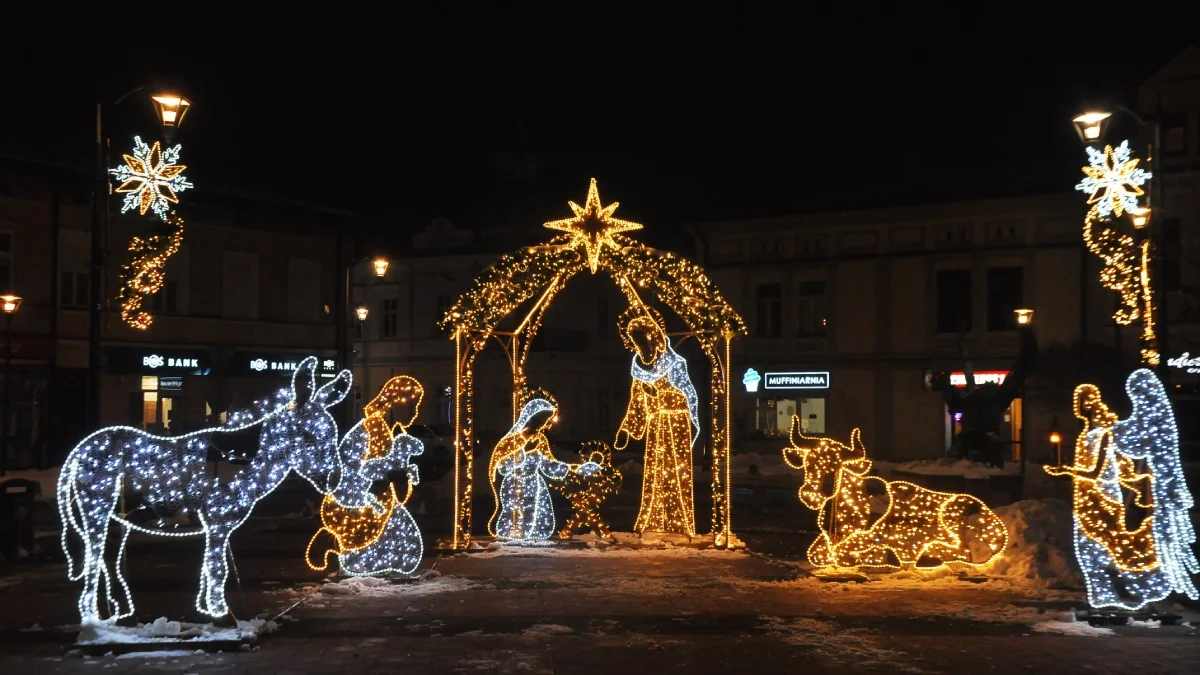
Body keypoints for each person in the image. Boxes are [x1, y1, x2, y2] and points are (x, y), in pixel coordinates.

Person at [614, 306, 700, 537]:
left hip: (677, 422)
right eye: (636, 342)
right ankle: (653, 520)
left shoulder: (674, 364)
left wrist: (662, 396)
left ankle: (678, 523)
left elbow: (688, 394)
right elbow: (636, 403)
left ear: (655, 338)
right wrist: (627, 429)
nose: (641, 347)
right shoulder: (639, 367)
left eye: (644, 340)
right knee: (654, 474)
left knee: (675, 474)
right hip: (656, 426)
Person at [925, 320, 1036, 468]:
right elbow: (1022, 367)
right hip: (977, 443)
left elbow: (1022, 367)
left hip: (981, 443)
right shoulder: (989, 399)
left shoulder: (987, 399)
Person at [488, 392, 598, 540]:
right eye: (544, 419)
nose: (546, 424)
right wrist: (523, 451)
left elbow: (547, 464)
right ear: (533, 418)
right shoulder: (512, 440)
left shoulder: (540, 439)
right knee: (513, 513)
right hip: (514, 483)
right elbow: (502, 467)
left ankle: (528, 538)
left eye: (548, 420)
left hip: (534, 483)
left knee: (535, 514)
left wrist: (573, 468)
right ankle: (512, 537)